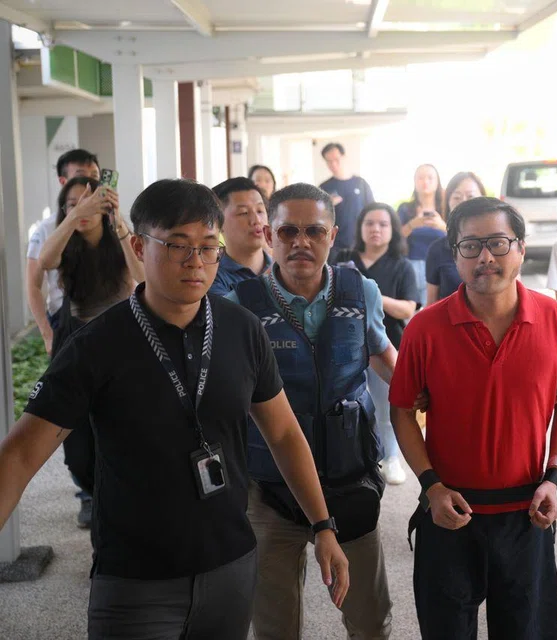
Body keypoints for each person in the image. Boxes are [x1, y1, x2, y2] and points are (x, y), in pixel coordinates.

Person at [0, 179, 348, 640]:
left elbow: (283, 433)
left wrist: (322, 525)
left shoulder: (242, 330)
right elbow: (22, 453)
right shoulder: (97, 344)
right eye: (179, 246)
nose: (196, 262)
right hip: (136, 579)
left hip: (230, 564)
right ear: (140, 246)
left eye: (208, 247)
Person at [390, 196, 557, 639]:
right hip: (448, 513)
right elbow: (400, 410)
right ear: (453, 253)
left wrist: (555, 475)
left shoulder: (551, 315)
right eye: (470, 245)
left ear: (520, 247)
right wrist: (430, 486)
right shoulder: (425, 327)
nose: (485, 257)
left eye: (498, 243)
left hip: (527, 514)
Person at [226, 183, 396, 640]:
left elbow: (382, 354)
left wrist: (425, 400)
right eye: (288, 231)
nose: (301, 241)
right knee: (275, 625)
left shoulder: (362, 290)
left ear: (334, 235)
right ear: (268, 234)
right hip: (270, 489)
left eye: (314, 231)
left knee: (371, 620)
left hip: (350, 480)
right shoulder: (240, 306)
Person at [37, 176, 142, 525]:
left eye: (89, 200)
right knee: (78, 447)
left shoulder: (121, 238)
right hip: (78, 344)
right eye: (71, 203)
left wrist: (120, 225)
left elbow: (141, 277)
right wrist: (72, 217)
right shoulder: (67, 242)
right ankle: (93, 494)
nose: (81, 207)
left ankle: (117, 507)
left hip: (121, 343)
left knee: (123, 431)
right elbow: (45, 261)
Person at [338, 202, 419, 485]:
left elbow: (408, 310)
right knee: (348, 407)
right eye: (369, 223)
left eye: (383, 224)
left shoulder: (402, 266)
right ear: (359, 228)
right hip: (345, 347)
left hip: (387, 347)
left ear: (393, 230)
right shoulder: (343, 257)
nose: (376, 229)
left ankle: (391, 457)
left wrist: (368, 292)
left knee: (388, 408)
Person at [26, 148, 101, 356]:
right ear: (63, 182)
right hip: (65, 321)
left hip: (106, 319)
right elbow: (33, 284)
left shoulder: (111, 223)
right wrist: (47, 334)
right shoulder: (46, 229)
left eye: (94, 176)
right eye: (81, 176)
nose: (88, 183)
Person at [424, 171, 485, 305]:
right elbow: (431, 305)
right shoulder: (437, 249)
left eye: (471, 196)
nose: (464, 203)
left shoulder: (500, 244)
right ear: (448, 202)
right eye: (457, 197)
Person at [209, 177, 273, 297]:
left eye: (260, 211)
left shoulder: (283, 268)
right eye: (243, 212)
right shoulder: (212, 275)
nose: (256, 220)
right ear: (218, 222)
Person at [398, 164, 446, 305]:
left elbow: (459, 236)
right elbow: (395, 237)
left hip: (438, 266)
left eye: (430, 178)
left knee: (431, 310)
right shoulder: (405, 209)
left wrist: (442, 226)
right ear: (414, 181)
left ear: (437, 182)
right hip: (410, 265)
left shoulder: (445, 208)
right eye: (420, 177)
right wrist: (413, 224)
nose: (425, 181)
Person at [319, 142, 374, 254]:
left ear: (344, 157)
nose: (333, 164)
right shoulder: (324, 187)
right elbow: (316, 218)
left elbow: (372, 211)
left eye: (336, 159)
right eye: (329, 161)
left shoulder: (360, 183)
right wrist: (327, 206)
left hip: (361, 243)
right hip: (335, 246)